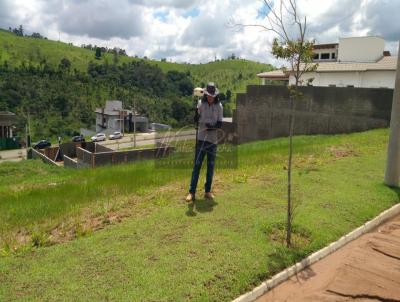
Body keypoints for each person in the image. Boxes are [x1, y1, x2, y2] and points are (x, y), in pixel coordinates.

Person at [186, 82, 223, 202]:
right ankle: (191, 192)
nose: (209, 97)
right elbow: (196, 120)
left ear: (215, 95)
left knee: (210, 166)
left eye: (211, 95)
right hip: (201, 139)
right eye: (208, 95)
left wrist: (210, 128)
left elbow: (219, 123)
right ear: (205, 94)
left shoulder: (219, 106)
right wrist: (196, 114)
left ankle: (207, 191)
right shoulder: (201, 103)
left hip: (212, 140)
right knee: (197, 166)